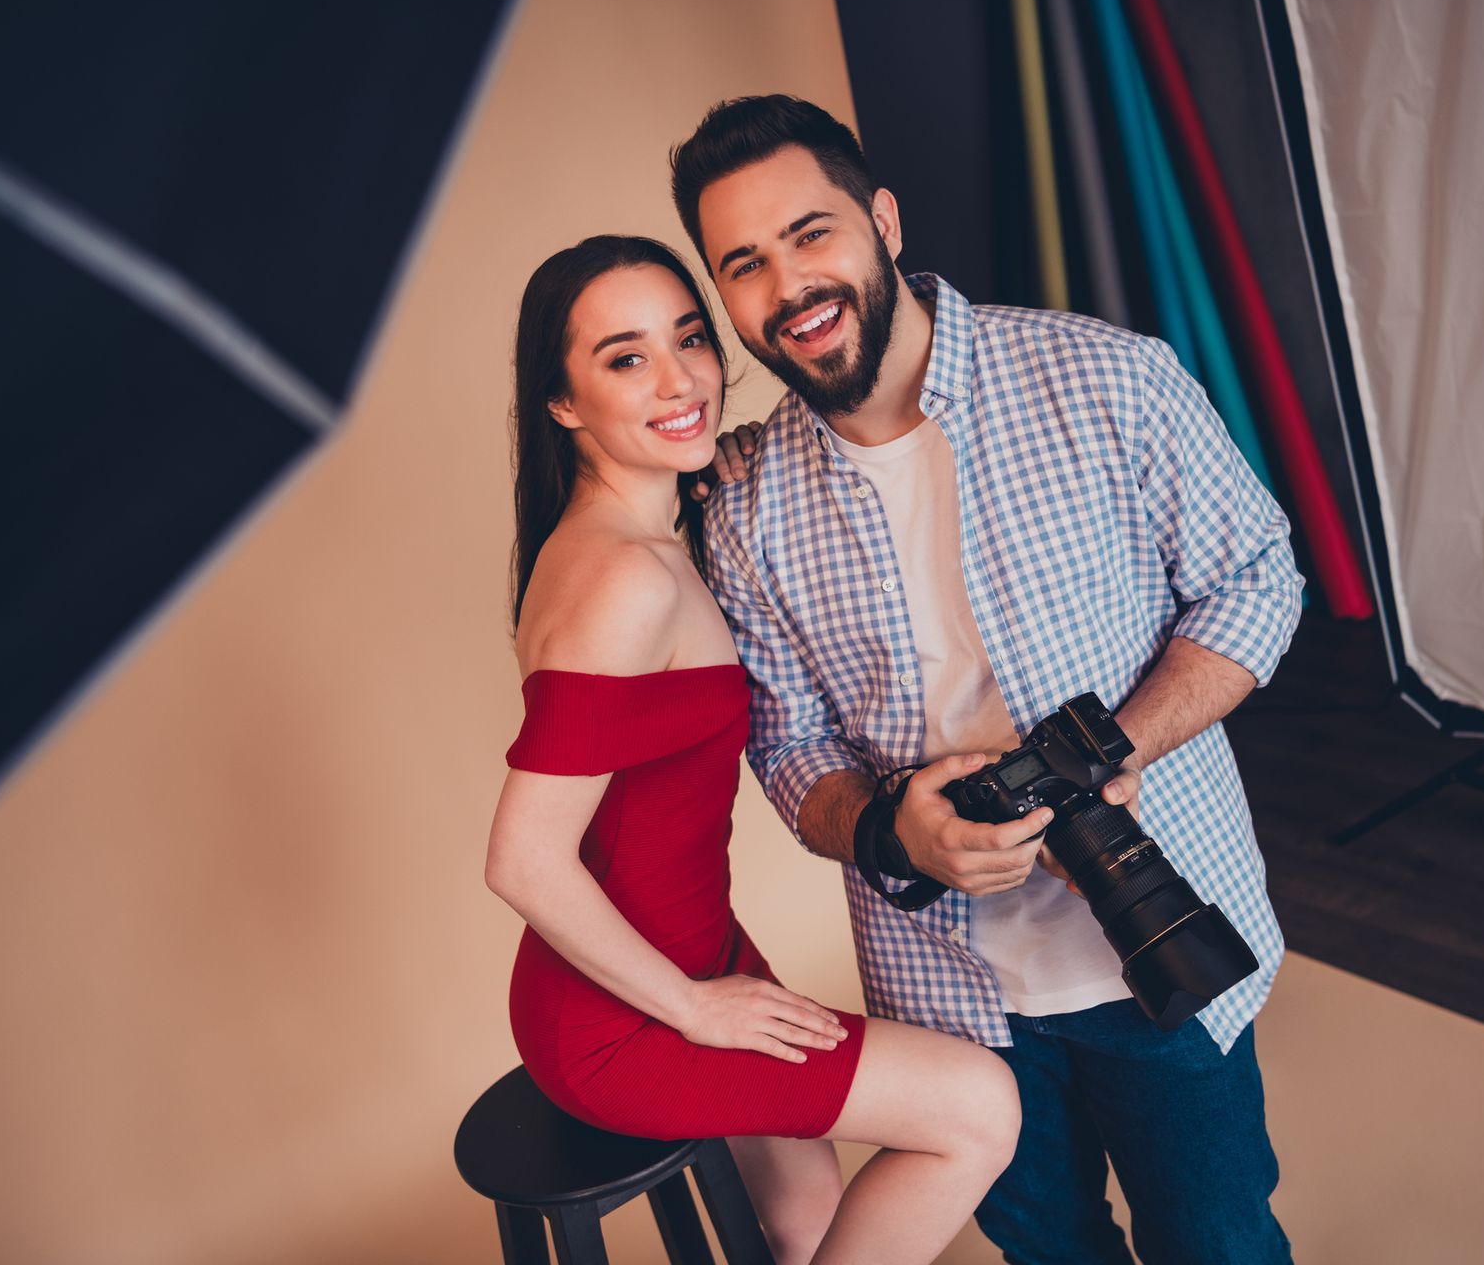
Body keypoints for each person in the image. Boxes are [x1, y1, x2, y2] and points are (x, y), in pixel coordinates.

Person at [674, 96, 1302, 1264]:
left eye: (811, 233)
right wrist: (890, 831)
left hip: (1160, 928)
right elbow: (790, 744)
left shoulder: (1106, 376)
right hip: (948, 994)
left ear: (883, 220)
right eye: (744, 264)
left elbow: (1257, 578)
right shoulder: (743, 505)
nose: (789, 285)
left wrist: (1120, 746)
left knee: (1217, 1243)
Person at [482, 234, 1020, 1265]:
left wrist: (718, 469)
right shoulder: (621, 580)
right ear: (561, 401)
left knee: (806, 1218)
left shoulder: (636, 535)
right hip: (622, 1009)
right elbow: (522, 858)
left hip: (691, 946)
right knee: (978, 1108)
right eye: (626, 358)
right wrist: (692, 1008)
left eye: (689, 338)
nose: (681, 379)